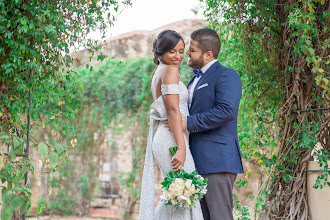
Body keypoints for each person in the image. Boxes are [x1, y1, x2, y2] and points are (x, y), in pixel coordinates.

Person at [166, 28, 244, 220]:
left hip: (217, 161)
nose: (186, 54)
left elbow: (226, 111)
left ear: (208, 54)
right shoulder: (194, 79)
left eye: (191, 50)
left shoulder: (227, 75)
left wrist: (187, 122)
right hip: (196, 162)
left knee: (220, 216)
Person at [139, 30, 204, 220]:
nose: (178, 57)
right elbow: (173, 110)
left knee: (179, 197)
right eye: (172, 51)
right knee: (184, 194)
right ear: (161, 51)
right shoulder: (170, 71)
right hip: (172, 141)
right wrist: (182, 148)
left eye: (182, 51)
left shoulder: (160, 71)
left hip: (169, 136)